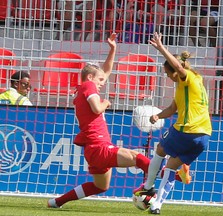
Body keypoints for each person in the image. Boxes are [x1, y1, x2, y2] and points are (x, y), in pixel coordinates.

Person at [47, 33, 190, 209]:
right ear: (90, 78)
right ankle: (174, 176)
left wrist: (113, 49)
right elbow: (97, 108)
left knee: (101, 186)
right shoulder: (88, 86)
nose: (102, 83)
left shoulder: (82, 89)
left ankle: (56, 202)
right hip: (98, 146)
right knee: (136, 157)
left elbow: (105, 71)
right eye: (99, 80)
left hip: (92, 149)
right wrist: (105, 102)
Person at [133, 32, 212, 214]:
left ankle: (148, 186)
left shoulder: (188, 79)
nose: (167, 76)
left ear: (176, 71)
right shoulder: (194, 82)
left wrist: (161, 48)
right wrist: (158, 116)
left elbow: (177, 66)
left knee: (160, 150)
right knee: (170, 167)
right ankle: (157, 205)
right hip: (204, 137)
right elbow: (172, 108)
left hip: (187, 130)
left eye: (168, 73)